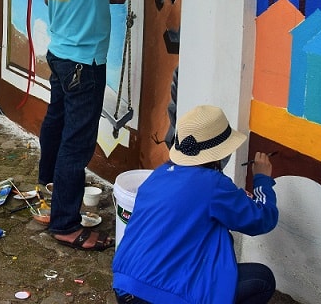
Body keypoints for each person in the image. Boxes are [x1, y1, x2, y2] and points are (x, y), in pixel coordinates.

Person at [38, 0, 171, 251]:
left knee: (57, 122)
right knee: (76, 146)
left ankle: (49, 185)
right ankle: (64, 224)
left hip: (62, 54)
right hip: (84, 63)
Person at [112, 105, 278, 304]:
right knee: (262, 279)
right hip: (161, 298)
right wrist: (262, 179)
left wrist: (231, 197)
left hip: (125, 287)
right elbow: (263, 219)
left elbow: (193, 204)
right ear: (221, 153)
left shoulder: (158, 174)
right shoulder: (214, 184)